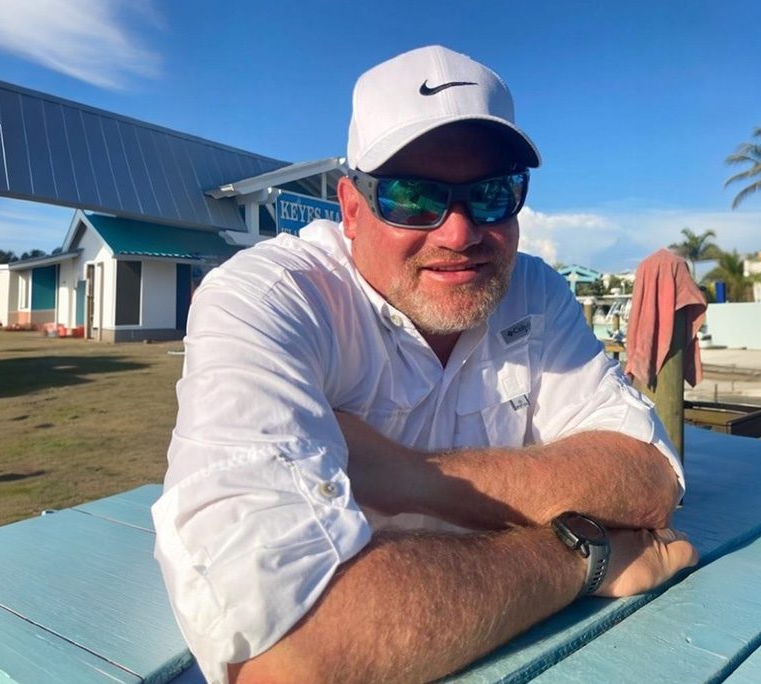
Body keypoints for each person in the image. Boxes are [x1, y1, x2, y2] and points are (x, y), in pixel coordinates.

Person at [152, 45, 697, 684]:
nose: (460, 233)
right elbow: (293, 658)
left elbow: (650, 478)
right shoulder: (267, 302)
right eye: (413, 196)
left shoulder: (534, 293)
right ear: (350, 210)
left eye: (492, 194)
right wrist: (579, 556)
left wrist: (408, 475)